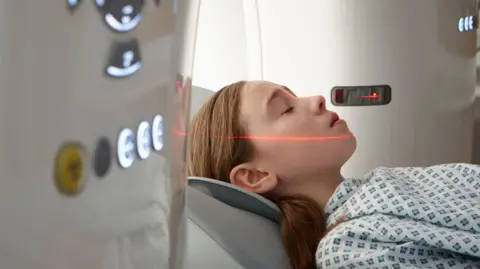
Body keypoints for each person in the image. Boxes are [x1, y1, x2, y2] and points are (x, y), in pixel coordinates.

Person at [187, 80, 480, 269]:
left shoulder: (381, 181)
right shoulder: (347, 249)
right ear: (255, 176)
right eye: (286, 109)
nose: (316, 99)